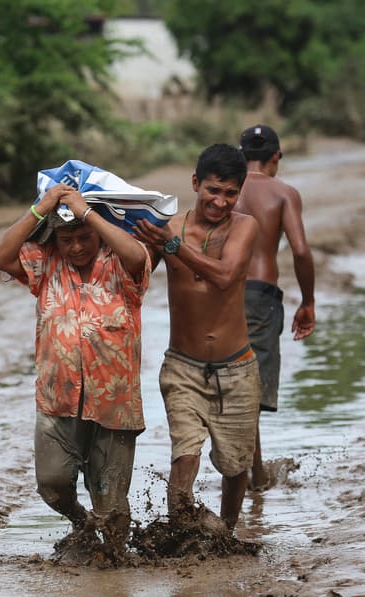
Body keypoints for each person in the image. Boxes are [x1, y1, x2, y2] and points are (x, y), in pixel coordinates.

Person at [0, 183, 151, 549]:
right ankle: (81, 522)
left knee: (111, 503)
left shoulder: (120, 265)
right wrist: (40, 208)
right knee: (52, 484)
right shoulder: (45, 264)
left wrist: (86, 212)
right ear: (55, 241)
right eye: (67, 240)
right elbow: (0, 257)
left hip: (113, 405)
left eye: (84, 237)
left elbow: (138, 256)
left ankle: (112, 569)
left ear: (98, 233)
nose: (76, 247)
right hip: (57, 401)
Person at [133, 143, 260, 532]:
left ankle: (227, 532)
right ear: (195, 183)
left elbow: (224, 277)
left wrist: (173, 247)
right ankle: (180, 535)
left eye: (230, 193)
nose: (220, 202)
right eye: (213, 190)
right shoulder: (169, 227)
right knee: (184, 455)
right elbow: (136, 274)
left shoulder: (245, 226)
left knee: (236, 465)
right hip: (183, 368)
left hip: (236, 369)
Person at [235, 124, 315, 491]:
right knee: (250, 389)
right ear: (276, 156)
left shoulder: (222, 190)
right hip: (260, 296)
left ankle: (252, 471)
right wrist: (308, 301)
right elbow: (299, 250)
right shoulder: (283, 193)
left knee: (227, 377)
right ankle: (252, 476)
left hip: (223, 291)